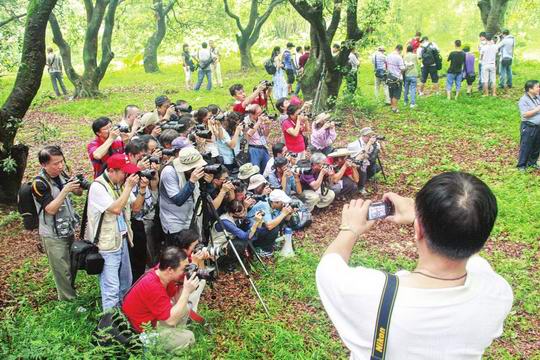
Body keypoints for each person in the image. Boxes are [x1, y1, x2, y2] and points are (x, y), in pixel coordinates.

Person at [316, 172, 513, 359]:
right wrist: (420, 220)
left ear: (418, 230)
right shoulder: (497, 293)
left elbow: (328, 267)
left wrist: (349, 228)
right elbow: (470, 249)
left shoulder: (372, 294)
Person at [87, 153, 146, 310]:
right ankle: (109, 326)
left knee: (126, 283)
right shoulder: (98, 187)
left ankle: (122, 318)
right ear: (112, 171)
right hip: (107, 245)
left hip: (123, 240)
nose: (127, 175)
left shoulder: (119, 185)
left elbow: (136, 207)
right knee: (111, 288)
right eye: (124, 172)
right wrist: (128, 187)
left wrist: (141, 190)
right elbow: (116, 209)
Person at [122, 247, 202, 352]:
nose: (185, 272)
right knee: (189, 337)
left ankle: (174, 334)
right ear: (170, 270)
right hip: (140, 334)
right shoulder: (153, 286)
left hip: (152, 321)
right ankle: (156, 351)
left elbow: (178, 300)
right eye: (184, 269)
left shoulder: (162, 272)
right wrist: (187, 291)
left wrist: (183, 282)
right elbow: (170, 321)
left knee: (185, 308)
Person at [31, 146, 82, 300]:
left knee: (71, 265)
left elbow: (78, 194)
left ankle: (70, 294)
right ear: (44, 165)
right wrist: (65, 190)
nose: (60, 166)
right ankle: (68, 302)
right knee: (61, 269)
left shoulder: (61, 175)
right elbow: (50, 209)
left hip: (67, 229)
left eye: (61, 162)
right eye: (55, 164)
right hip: (52, 234)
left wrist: (76, 185)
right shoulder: (39, 183)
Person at [159, 147, 209, 243]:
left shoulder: (190, 172)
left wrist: (207, 182)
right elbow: (178, 200)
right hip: (174, 223)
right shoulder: (169, 171)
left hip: (191, 218)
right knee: (179, 255)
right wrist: (192, 181)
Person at [246, 189, 295, 257]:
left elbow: (285, 220)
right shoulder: (264, 205)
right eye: (282, 203)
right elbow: (269, 226)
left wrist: (289, 213)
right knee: (274, 228)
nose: (283, 205)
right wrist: (283, 214)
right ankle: (264, 250)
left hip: (259, 229)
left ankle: (270, 245)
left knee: (279, 221)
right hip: (251, 232)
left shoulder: (272, 204)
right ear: (275, 202)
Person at [347, 127, 382, 195]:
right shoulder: (355, 145)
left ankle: (364, 179)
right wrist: (369, 144)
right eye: (368, 136)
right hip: (355, 165)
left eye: (371, 136)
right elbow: (359, 157)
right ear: (362, 136)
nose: (370, 138)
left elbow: (371, 157)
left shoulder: (373, 143)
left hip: (367, 162)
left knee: (376, 168)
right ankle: (361, 187)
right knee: (364, 166)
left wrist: (376, 145)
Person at [516, 80, 540, 171]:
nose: (539, 88)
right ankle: (521, 165)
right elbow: (525, 114)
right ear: (530, 89)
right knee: (526, 146)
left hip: (538, 127)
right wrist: (537, 109)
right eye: (537, 87)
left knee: (537, 146)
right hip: (529, 126)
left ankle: (532, 163)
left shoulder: (537, 97)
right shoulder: (523, 100)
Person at [244, 104, 271, 172]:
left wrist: (267, 125)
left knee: (268, 169)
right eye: (258, 114)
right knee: (256, 170)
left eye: (261, 112)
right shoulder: (246, 121)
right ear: (252, 114)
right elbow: (249, 134)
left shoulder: (260, 120)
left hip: (263, 147)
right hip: (253, 149)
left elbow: (266, 134)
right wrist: (258, 122)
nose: (261, 115)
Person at [386, 44, 405, 113]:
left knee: (391, 92)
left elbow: (386, 65)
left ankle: (391, 106)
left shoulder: (388, 55)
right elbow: (402, 68)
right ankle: (394, 108)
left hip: (390, 76)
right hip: (397, 77)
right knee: (396, 94)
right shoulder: (399, 57)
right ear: (400, 50)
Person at [403, 44, 418, 108]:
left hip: (407, 74)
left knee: (406, 88)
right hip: (414, 73)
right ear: (413, 50)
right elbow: (417, 63)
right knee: (413, 89)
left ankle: (405, 102)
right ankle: (412, 103)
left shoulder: (404, 56)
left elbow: (403, 64)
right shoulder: (415, 56)